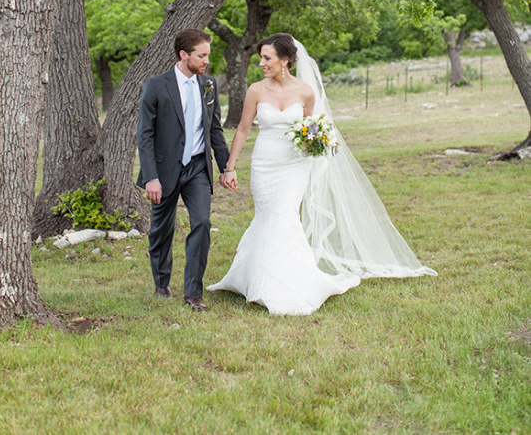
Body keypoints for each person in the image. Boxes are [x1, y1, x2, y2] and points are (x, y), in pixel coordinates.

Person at [208, 33, 436, 315]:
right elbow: (242, 129)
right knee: (267, 216)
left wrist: (316, 140)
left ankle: (287, 283)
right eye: (261, 58)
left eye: (267, 58)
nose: (262, 64)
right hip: (264, 164)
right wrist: (230, 166)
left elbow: (312, 128)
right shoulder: (256, 90)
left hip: (294, 166)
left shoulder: (305, 92)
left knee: (284, 214)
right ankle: (255, 277)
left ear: (285, 60)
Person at [137, 29, 230, 311]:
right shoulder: (156, 85)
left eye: (207, 55)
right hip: (164, 171)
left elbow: (214, 131)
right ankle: (161, 282)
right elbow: (145, 135)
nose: (206, 61)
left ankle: (193, 292)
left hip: (198, 168)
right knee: (161, 230)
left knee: (201, 223)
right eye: (201, 56)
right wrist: (151, 177)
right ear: (183, 55)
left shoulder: (209, 85)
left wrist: (227, 167)